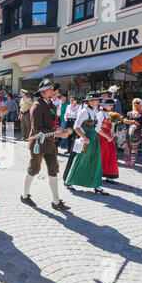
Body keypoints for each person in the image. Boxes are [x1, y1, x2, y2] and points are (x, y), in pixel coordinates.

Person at [21, 78, 70, 211]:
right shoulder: (36, 106)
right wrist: (57, 133)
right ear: (42, 92)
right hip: (38, 143)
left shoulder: (51, 105)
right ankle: (24, 195)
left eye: (52, 89)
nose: (52, 91)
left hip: (50, 142)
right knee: (34, 169)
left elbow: (53, 124)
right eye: (49, 89)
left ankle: (56, 201)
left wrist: (59, 128)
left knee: (53, 169)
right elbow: (37, 129)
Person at [65, 92, 109, 195]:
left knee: (96, 161)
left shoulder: (95, 112)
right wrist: (84, 138)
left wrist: (107, 136)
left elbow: (97, 128)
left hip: (94, 138)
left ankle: (97, 185)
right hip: (86, 138)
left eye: (98, 100)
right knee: (80, 160)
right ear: (90, 101)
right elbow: (76, 126)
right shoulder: (84, 112)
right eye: (96, 100)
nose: (98, 102)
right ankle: (70, 181)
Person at [96, 99, 119, 184]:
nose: (111, 107)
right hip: (101, 138)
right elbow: (97, 128)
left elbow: (111, 127)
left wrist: (112, 134)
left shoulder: (111, 114)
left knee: (111, 156)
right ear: (104, 105)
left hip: (108, 138)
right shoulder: (100, 114)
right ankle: (97, 174)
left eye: (112, 105)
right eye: (109, 105)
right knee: (101, 156)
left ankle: (109, 175)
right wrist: (107, 136)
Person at [123, 98, 142, 167]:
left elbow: (140, 123)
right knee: (126, 147)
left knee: (134, 148)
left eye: (138, 103)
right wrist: (133, 122)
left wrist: (130, 122)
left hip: (136, 132)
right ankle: (127, 160)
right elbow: (124, 121)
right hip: (127, 131)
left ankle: (132, 161)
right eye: (134, 103)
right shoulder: (129, 113)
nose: (136, 104)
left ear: (141, 104)